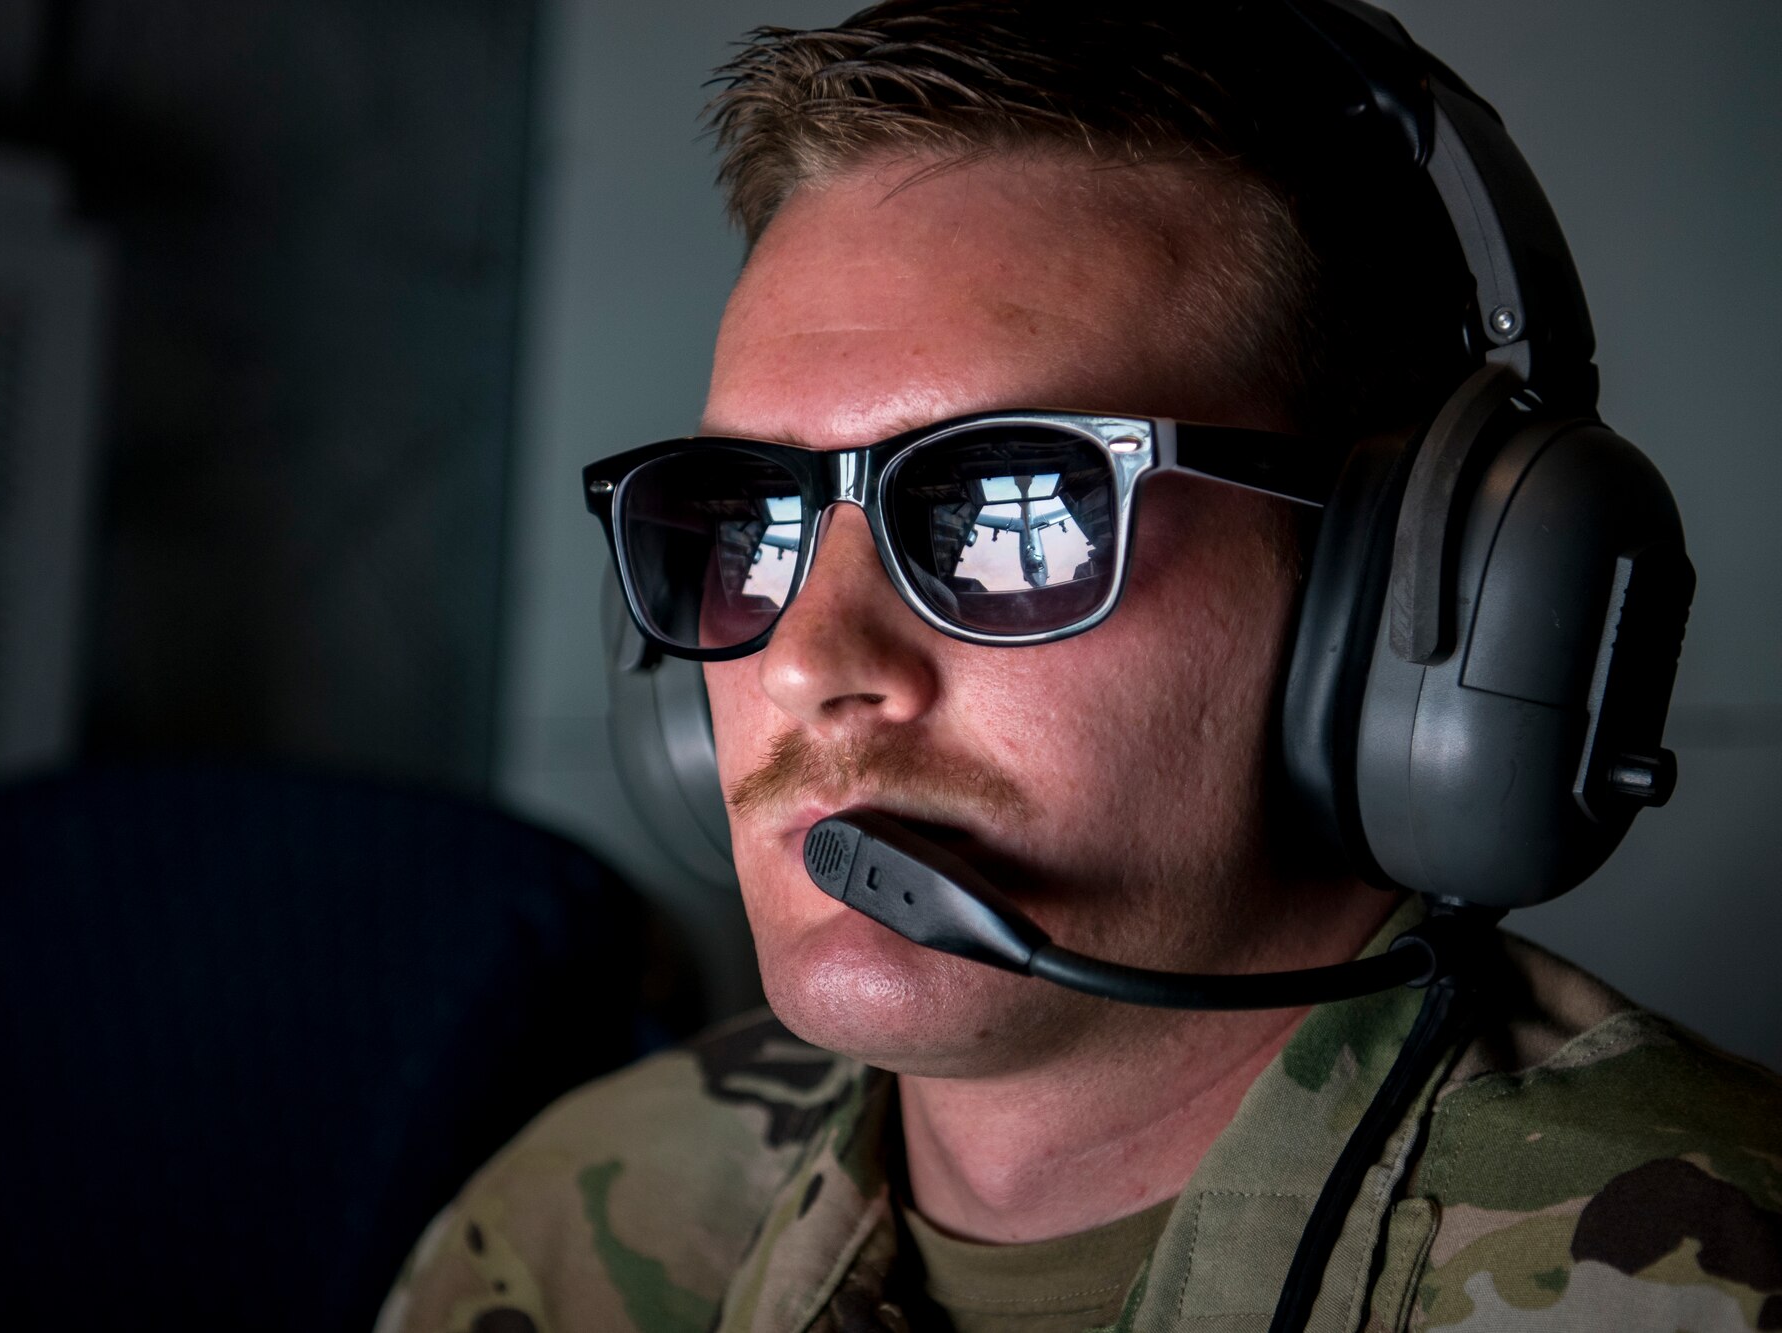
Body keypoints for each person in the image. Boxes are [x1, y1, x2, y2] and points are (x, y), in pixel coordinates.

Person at [379, 5, 1782, 1331]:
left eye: (1014, 514)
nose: (811, 661)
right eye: (755, 520)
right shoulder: (564, 1233)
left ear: (1407, 602)